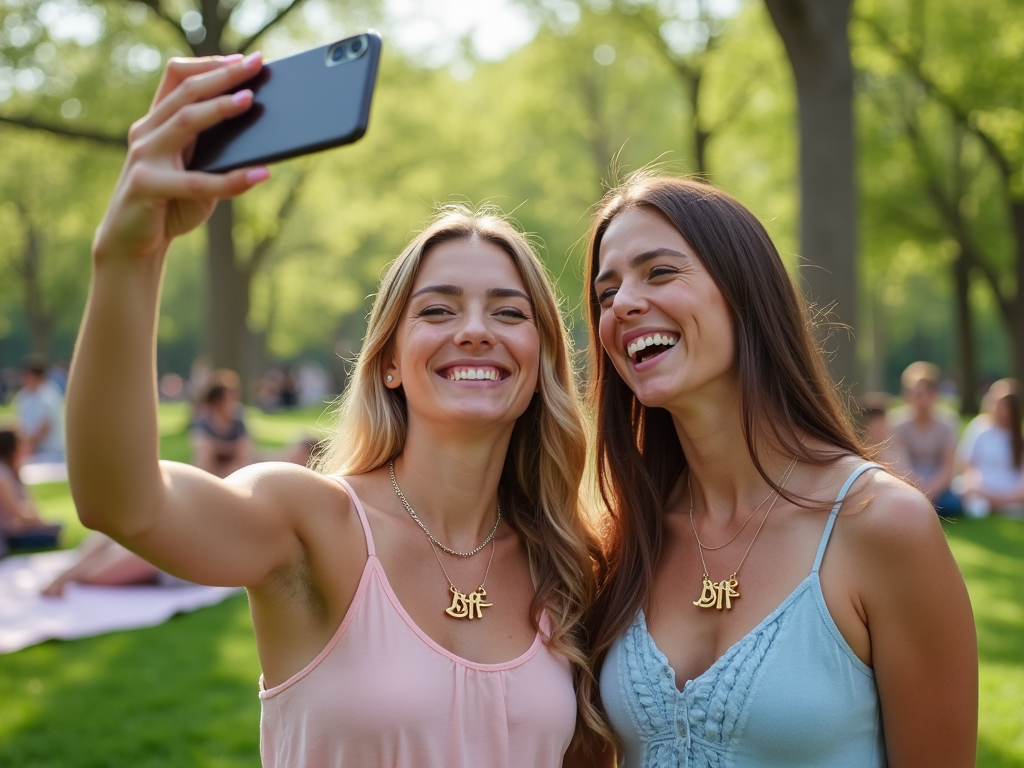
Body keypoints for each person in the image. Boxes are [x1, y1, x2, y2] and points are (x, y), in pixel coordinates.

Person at [66, 53, 601, 767]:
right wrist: (130, 253)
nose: (474, 329)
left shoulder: (570, 563)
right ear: (388, 362)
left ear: (540, 365)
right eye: (438, 309)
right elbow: (123, 503)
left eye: (508, 312)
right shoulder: (307, 522)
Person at [579, 175, 977, 766]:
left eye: (659, 272)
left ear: (745, 294)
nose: (624, 304)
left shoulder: (881, 525)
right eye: (606, 293)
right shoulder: (623, 536)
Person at [890, 361, 962, 515]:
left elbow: (947, 468)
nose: (921, 401)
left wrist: (930, 490)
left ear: (935, 394)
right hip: (908, 485)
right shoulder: (897, 423)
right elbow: (900, 464)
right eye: (916, 394)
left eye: (926, 394)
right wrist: (917, 488)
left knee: (953, 503)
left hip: (939, 489)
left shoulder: (948, 423)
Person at [959, 379, 1024, 518]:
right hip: (982, 487)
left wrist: (1003, 498)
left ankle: (999, 505)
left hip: (1009, 491)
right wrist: (978, 487)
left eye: (1005, 405)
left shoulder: (1018, 437)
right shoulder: (979, 427)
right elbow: (968, 466)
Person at [0, 429, 61, 552]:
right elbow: (17, 515)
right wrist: (42, 523)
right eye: (22, 445)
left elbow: (30, 506)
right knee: (52, 534)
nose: (27, 449)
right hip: (9, 533)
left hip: (19, 528)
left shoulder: (13, 471)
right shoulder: (3, 475)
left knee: (56, 528)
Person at [191, 374, 252, 478]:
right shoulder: (205, 418)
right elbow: (202, 444)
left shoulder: (238, 417)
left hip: (232, 461)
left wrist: (220, 447)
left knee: (243, 457)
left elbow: (245, 445)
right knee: (204, 457)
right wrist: (229, 448)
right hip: (212, 461)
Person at [13, 354, 66, 463]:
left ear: (36, 376)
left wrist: (24, 446)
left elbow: (44, 427)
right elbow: (22, 424)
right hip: (31, 450)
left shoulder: (49, 394)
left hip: (50, 453)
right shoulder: (23, 395)